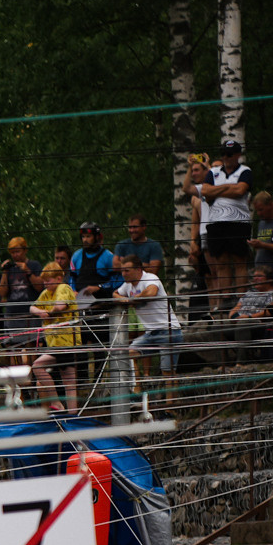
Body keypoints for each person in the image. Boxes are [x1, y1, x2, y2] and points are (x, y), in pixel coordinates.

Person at [196, 139, 254, 311]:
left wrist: (218, 190)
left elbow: (240, 190)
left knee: (239, 261)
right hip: (216, 222)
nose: (226, 158)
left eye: (229, 154)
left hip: (238, 222)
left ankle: (241, 300)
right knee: (221, 263)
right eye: (223, 154)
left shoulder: (245, 171)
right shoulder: (213, 172)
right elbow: (205, 191)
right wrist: (229, 187)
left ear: (237, 155)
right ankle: (225, 300)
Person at [114, 255, 182, 394]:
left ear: (138, 269)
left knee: (168, 372)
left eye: (127, 270)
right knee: (129, 353)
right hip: (151, 333)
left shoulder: (150, 278)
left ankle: (170, 408)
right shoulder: (127, 285)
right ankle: (137, 391)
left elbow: (151, 292)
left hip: (168, 330)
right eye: (122, 270)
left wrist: (132, 299)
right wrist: (125, 300)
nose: (123, 274)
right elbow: (115, 293)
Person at [68, 221, 122, 388]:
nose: (85, 239)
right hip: (81, 308)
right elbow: (71, 279)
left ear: (98, 237)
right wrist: (72, 291)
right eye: (83, 236)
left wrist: (98, 288)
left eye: (88, 236)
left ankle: (99, 382)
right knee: (80, 344)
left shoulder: (108, 257)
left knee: (100, 347)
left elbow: (117, 281)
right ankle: (82, 382)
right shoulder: (76, 256)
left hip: (101, 308)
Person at [32, 262, 81, 407]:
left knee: (37, 366)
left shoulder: (63, 288)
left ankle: (55, 401)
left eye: (49, 280)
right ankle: (73, 415)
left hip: (65, 343)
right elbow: (32, 307)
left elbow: (61, 305)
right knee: (69, 381)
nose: (45, 283)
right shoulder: (47, 293)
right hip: (56, 343)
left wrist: (49, 313)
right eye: (44, 281)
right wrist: (39, 312)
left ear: (59, 278)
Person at [0, 237, 40, 340]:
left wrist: (28, 271)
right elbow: (2, 293)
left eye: (18, 251)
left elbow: (40, 287)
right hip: (13, 314)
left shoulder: (34, 265)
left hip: (30, 313)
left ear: (25, 250)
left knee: (33, 344)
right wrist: (4, 272)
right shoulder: (9, 268)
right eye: (12, 252)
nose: (15, 255)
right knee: (13, 345)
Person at [233, 266, 273, 359]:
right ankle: (220, 363)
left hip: (259, 322)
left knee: (243, 324)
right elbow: (236, 307)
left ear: (269, 279)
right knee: (218, 326)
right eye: (254, 276)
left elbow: (268, 311)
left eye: (259, 276)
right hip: (240, 319)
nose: (255, 279)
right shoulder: (250, 292)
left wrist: (249, 317)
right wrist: (233, 317)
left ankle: (240, 362)